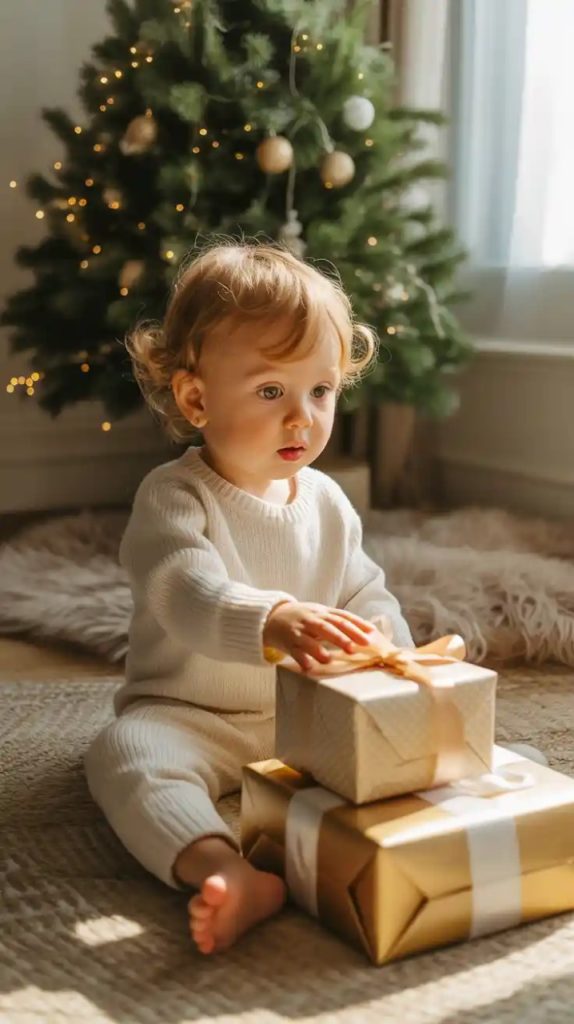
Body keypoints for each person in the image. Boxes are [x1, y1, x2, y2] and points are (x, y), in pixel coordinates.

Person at [85, 239, 413, 956]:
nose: (302, 418)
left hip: (303, 715)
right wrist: (271, 617)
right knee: (123, 754)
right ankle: (226, 872)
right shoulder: (175, 496)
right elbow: (184, 589)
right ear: (196, 397)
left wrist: (397, 661)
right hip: (189, 711)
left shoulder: (328, 500)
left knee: (419, 754)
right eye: (272, 392)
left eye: (319, 392)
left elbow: (364, 589)